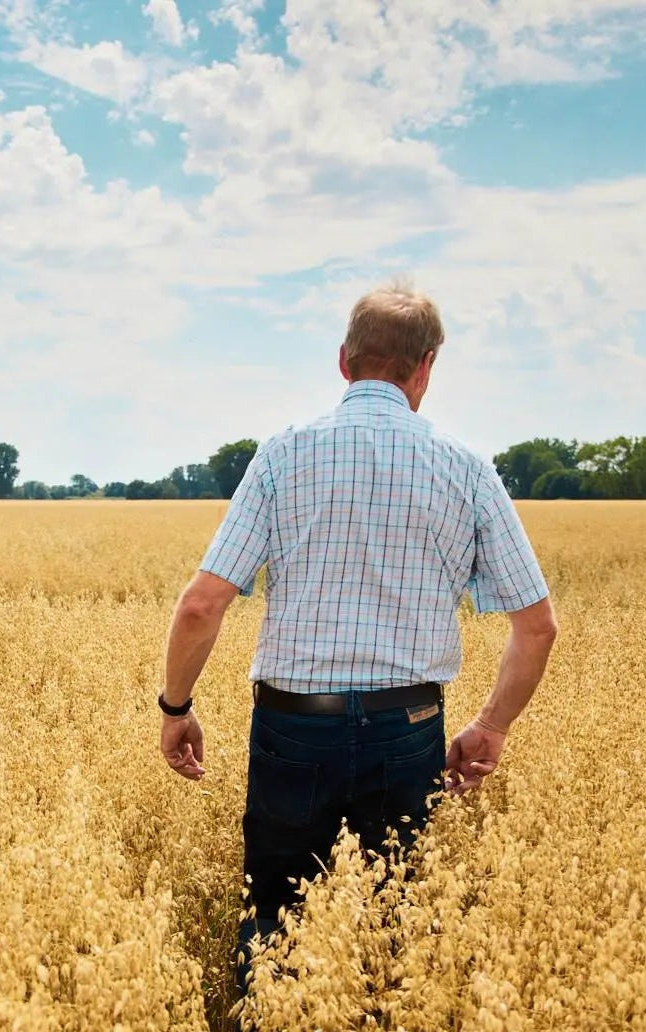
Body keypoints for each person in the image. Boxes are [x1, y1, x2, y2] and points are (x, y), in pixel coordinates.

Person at [157, 283, 557, 995]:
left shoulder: (284, 455)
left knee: (274, 916)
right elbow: (537, 625)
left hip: (291, 726)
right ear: (426, 368)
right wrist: (491, 726)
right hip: (408, 729)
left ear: (344, 362)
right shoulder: (466, 469)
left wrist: (175, 708)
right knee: (391, 918)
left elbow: (201, 604)